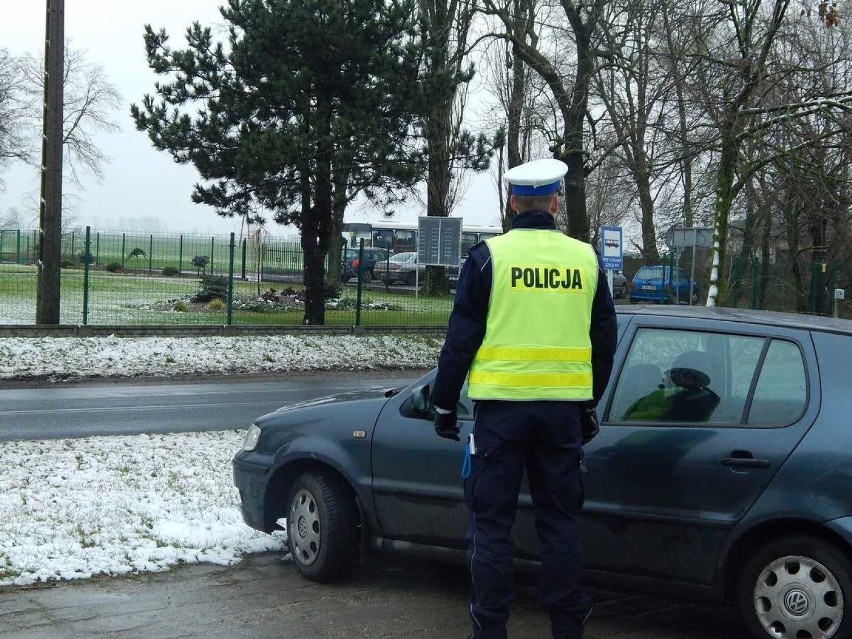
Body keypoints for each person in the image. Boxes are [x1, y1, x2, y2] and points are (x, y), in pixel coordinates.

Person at [430, 158, 618, 639]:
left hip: (499, 416)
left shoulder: (488, 259)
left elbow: (460, 342)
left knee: (492, 528)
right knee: (560, 527)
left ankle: (490, 631)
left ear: (512, 203)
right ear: (555, 203)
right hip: (562, 418)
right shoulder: (586, 259)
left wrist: (445, 404)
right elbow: (604, 341)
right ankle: (567, 630)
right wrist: (588, 403)